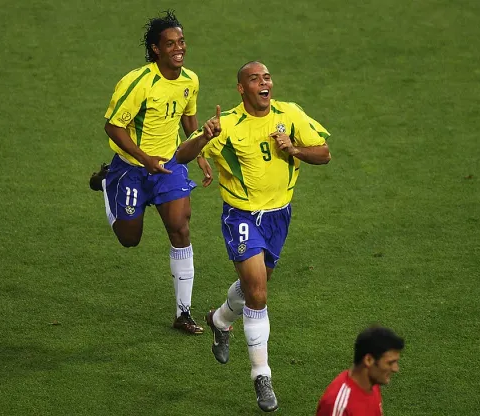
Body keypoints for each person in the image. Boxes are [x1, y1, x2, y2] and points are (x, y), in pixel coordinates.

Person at [176, 61, 332, 412]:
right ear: (241, 89)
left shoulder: (289, 114)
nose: (264, 83)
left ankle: (219, 320)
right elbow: (181, 154)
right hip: (241, 216)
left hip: (279, 216)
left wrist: (295, 150)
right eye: (254, 79)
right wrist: (204, 136)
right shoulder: (227, 124)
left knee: (252, 288)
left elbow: (324, 153)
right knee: (258, 293)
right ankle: (261, 376)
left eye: (266, 77)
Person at [88, 10, 213, 335]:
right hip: (131, 169)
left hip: (169, 166)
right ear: (155, 49)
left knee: (180, 228)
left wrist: (198, 151)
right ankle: (106, 184)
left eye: (181, 41)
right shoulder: (138, 83)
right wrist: (143, 158)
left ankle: (183, 313)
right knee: (129, 239)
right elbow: (113, 126)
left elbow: (188, 117)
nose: (178, 48)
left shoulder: (190, 80)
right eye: (170, 43)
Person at [315, 326, 405, 416]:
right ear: (369, 360)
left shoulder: (372, 384)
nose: (396, 369)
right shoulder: (340, 407)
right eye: (390, 363)